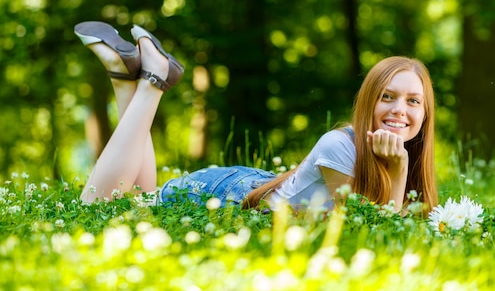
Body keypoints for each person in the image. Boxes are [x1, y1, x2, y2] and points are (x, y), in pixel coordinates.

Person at [74, 21, 438, 213]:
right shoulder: (340, 146)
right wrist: (398, 170)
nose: (399, 111)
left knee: (139, 197)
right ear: (367, 102)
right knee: (101, 209)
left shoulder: (413, 157)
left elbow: (410, 224)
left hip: (253, 184)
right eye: (387, 97)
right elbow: (376, 233)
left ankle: (128, 78)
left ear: (425, 113)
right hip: (220, 195)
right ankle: (152, 81)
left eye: (413, 101)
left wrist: (403, 168)